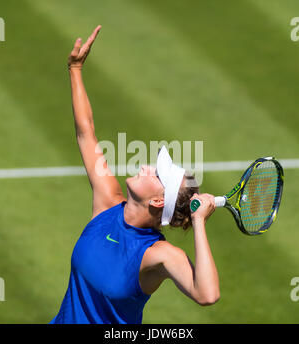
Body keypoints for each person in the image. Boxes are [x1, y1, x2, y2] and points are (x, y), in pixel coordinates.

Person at [49, 26, 220, 324]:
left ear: (157, 201)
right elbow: (86, 133)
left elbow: (206, 294)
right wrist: (75, 68)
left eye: (157, 175)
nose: (147, 167)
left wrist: (199, 222)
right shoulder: (107, 203)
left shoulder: (157, 255)